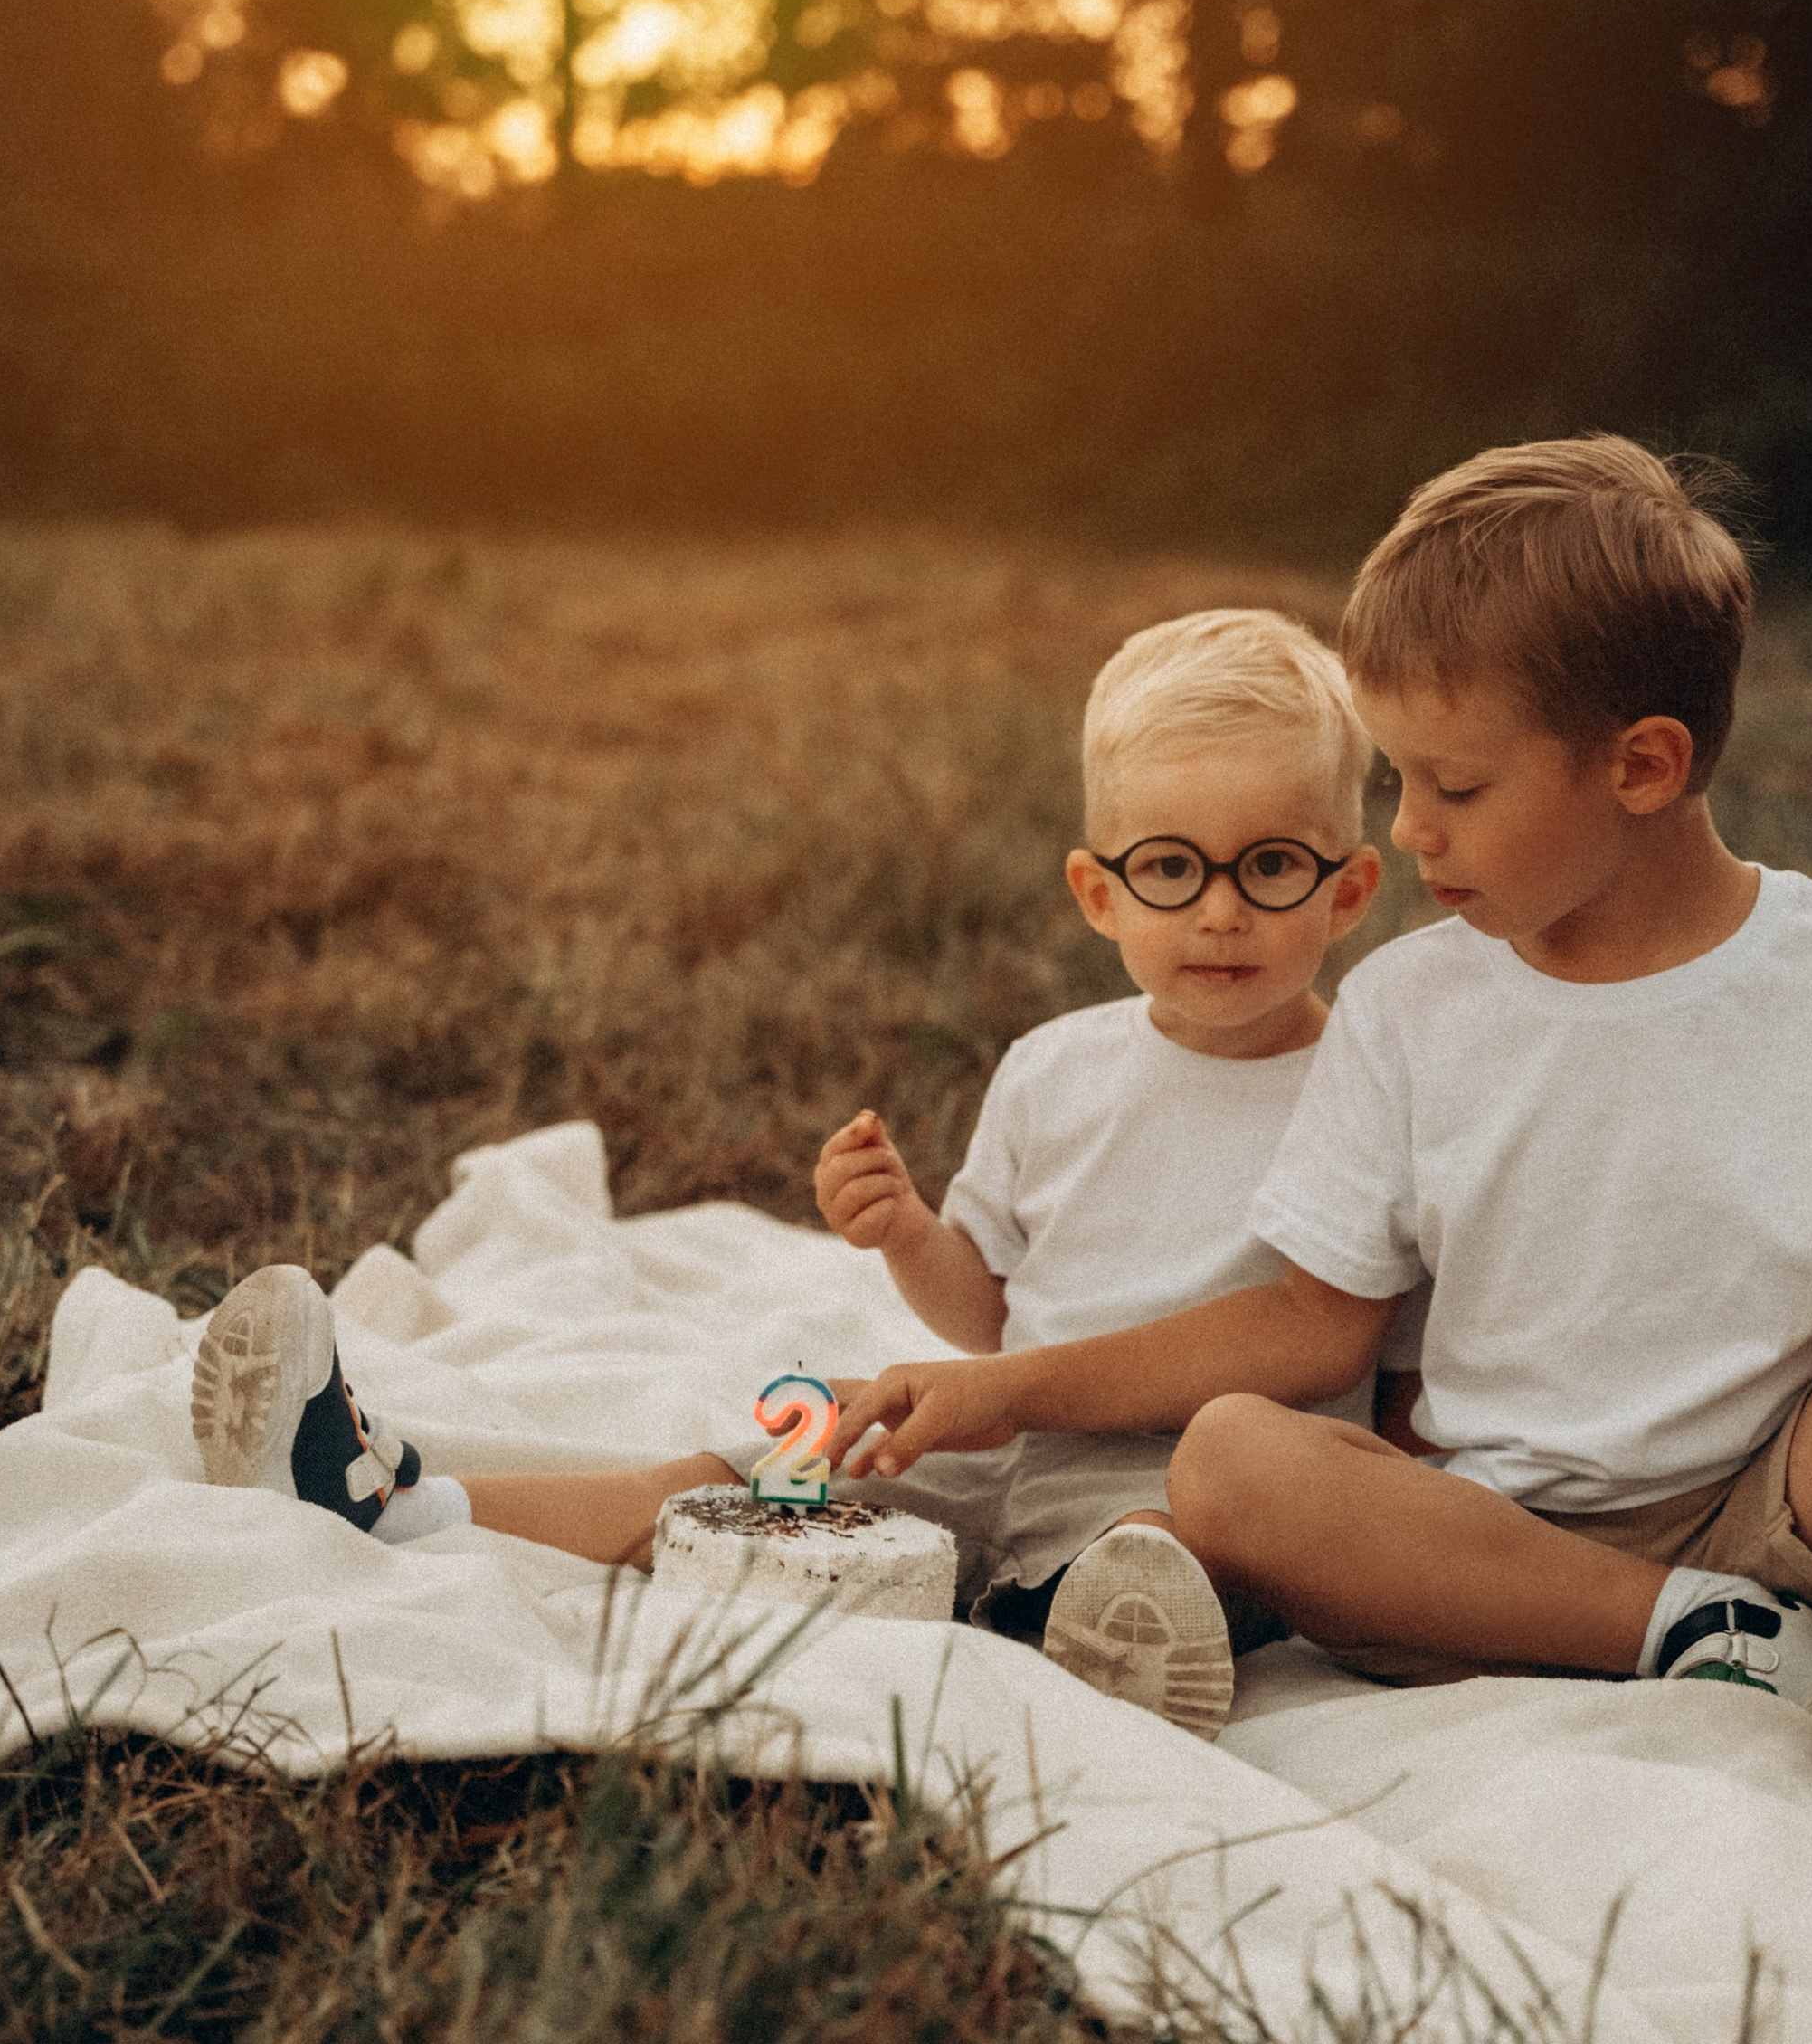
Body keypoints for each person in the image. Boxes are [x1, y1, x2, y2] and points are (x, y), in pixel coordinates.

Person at [830, 440, 1812, 1916]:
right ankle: (1686, 1632)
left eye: (1451, 784)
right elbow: (1318, 1327)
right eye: (1396, 780)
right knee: (1233, 1456)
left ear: (1641, 765)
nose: (1407, 829)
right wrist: (1006, 1384)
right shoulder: (1410, 1007)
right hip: (1489, 1541)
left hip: (1791, 1504)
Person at [191, 608, 1390, 1741]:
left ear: (1347, 890)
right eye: (1173, 868)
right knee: (740, 1480)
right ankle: (390, 1498)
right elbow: (988, 1310)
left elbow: (1313, 1337)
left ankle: (1101, 1649)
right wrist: (909, 1232)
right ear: (1097, 892)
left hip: (1183, 1473)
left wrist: (1016, 1391)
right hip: (992, 1442)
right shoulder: (1052, 1070)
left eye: (1272, 864)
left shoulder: (1366, 1088)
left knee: (1155, 1550)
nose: (1222, 912)